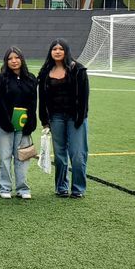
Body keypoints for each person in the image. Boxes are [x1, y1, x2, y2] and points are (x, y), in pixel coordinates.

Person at [38, 39, 90, 198]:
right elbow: (42, 99)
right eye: (54, 49)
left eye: (61, 49)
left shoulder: (78, 69)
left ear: (66, 51)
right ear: (50, 52)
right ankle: (61, 187)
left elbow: (84, 97)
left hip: (75, 118)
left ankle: (78, 189)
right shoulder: (46, 72)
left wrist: (81, 117)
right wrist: (44, 120)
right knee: (60, 155)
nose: (58, 51)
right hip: (56, 118)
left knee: (77, 154)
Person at [0, 46, 38, 200]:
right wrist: (6, 122)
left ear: (22, 59)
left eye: (17, 57)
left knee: (22, 157)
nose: (14, 61)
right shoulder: (1, 79)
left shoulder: (31, 78)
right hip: (4, 124)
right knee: (5, 156)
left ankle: (22, 188)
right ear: (6, 61)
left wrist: (30, 122)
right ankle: (4, 187)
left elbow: (33, 102)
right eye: (10, 58)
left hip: (23, 124)